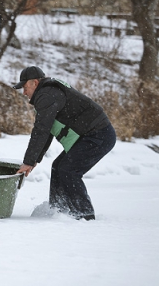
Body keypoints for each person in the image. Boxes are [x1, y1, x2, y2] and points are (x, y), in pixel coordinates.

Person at [13, 66, 116, 220]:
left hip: (98, 135)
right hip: (92, 135)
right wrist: (33, 160)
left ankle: (84, 215)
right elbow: (46, 131)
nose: (24, 92)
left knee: (69, 170)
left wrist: (28, 161)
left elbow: (41, 130)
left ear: (35, 82)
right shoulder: (47, 94)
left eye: (25, 87)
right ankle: (58, 210)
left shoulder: (47, 95)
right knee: (58, 167)